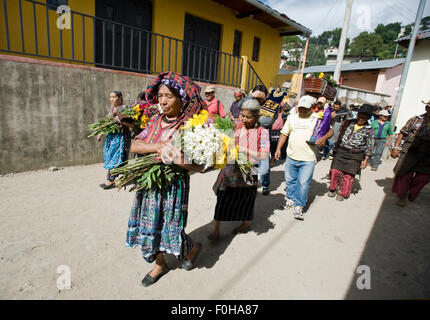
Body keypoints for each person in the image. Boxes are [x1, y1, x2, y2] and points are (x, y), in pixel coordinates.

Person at [126, 72, 203, 287]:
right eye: (160, 95)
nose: (162, 100)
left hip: (173, 188)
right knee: (150, 226)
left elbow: (203, 166)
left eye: (168, 96)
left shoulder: (191, 126)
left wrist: (182, 162)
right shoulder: (153, 121)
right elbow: (134, 145)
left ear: (181, 98)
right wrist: (159, 147)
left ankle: (192, 248)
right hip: (149, 186)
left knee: (172, 226)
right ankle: (159, 264)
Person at [208, 99, 270, 240]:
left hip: (250, 169)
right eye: (242, 115)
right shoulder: (235, 125)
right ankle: (216, 229)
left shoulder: (263, 132)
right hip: (230, 168)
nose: (243, 119)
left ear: (257, 117)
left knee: (246, 199)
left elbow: (264, 154)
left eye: (248, 117)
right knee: (222, 198)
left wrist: (244, 150)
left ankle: (246, 223)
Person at [275, 95, 333, 220]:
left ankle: (299, 205)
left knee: (303, 183)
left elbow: (331, 131)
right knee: (290, 181)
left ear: (313, 107)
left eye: (305, 108)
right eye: (300, 107)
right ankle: (290, 199)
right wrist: (278, 148)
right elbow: (284, 134)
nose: (302, 110)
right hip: (291, 156)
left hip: (308, 159)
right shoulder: (292, 118)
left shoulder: (318, 117)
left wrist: (323, 138)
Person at [328, 104, 375, 201]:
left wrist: (366, 159)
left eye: (364, 117)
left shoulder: (369, 130)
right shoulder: (348, 122)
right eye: (360, 115)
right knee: (334, 171)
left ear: (368, 118)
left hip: (356, 155)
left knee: (348, 175)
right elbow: (339, 132)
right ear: (357, 115)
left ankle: (343, 193)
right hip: (342, 151)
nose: (361, 118)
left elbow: (370, 145)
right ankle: (333, 188)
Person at [391, 99, 430, 207]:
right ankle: (402, 197)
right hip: (411, 150)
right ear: (426, 108)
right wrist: (395, 148)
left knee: (424, 178)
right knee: (405, 174)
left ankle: (412, 192)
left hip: (427, 154)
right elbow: (402, 133)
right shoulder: (415, 120)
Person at [98, 90, 133, 190]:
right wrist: (100, 132)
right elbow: (108, 121)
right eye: (110, 97)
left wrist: (120, 119)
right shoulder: (112, 108)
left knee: (118, 157)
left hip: (121, 137)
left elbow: (131, 123)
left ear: (120, 98)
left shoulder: (125, 108)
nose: (112, 99)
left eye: (114, 97)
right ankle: (122, 177)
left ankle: (110, 180)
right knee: (111, 156)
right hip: (112, 137)